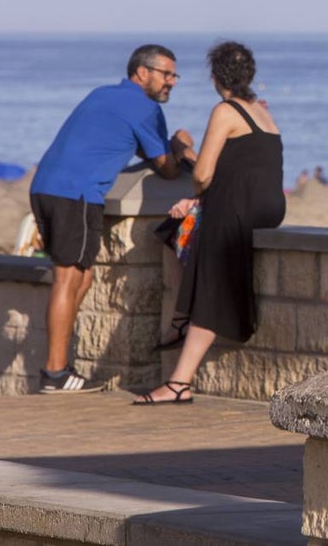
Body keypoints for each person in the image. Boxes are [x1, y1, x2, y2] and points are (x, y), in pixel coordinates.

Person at [30, 44, 194, 394]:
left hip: (46, 186)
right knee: (68, 279)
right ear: (142, 72)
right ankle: (55, 373)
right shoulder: (145, 108)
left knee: (82, 277)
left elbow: (115, 141)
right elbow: (166, 169)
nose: (172, 82)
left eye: (174, 75)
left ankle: (61, 369)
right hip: (75, 194)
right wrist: (179, 146)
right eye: (166, 74)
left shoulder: (103, 95)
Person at [134, 41, 284, 405]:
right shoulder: (262, 112)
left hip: (237, 209)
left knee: (203, 272)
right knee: (178, 229)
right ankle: (181, 320)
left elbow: (202, 174)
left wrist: (186, 161)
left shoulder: (226, 110)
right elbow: (244, 169)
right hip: (269, 207)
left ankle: (178, 378)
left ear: (216, 77)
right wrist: (198, 200)